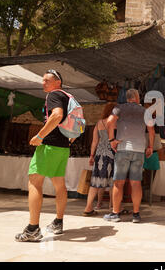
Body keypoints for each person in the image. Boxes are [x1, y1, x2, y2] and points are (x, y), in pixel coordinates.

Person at [15, 69, 70, 242]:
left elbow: (57, 115)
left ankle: (32, 229)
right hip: (63, 147)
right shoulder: (68, 97)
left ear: (57, 83)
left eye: (47, 80)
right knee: (59, 184)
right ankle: (58, 223)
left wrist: (40, 136)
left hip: (49, 145)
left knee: (34, 181)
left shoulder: (54, 95)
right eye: (43, 80)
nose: (43, 83)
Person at [104, 89, 154, 223]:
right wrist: (150, 147)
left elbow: (108, 122)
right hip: (138, 150)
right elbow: (151, 130)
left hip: (123, 149)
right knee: (136, 183)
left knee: (118, 183)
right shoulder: (145, 111)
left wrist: (111, 140)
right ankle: (136, 214)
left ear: (127, 98)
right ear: (137, 98)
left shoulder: (119, 108)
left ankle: (115, 213)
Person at [83, 102, 116, 216]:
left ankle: (88, 207)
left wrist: (92, 155)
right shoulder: (115, 122)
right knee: (113, 181)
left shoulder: (99, 123)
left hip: (99, 155)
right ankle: (113, 207)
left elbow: (94, 141)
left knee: (96, 181)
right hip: (112, 154)